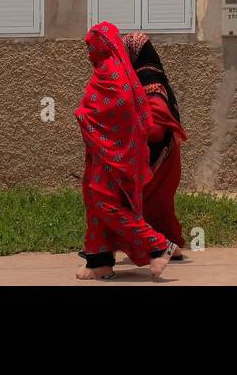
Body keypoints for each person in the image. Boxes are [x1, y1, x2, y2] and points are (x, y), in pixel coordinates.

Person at [75, 22, 178, 280]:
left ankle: (158, 244)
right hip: (103, 154)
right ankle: (99, 261)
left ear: (104, 45)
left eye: (92, 45)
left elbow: (119, 110)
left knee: (106, 204)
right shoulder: (111, 70)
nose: (88, 52)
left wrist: (83, 116)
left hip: (115, 155)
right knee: (94, 204)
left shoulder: (113, 72)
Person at [125, 31, 188, 257]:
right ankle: (170, 247)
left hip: (157, 155)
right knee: (159, 205)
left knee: (146, 204)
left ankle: (162, 248)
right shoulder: (157, 75)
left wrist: (133, 133)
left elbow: (156, 126)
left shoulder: (147, 80)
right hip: (168, 154)